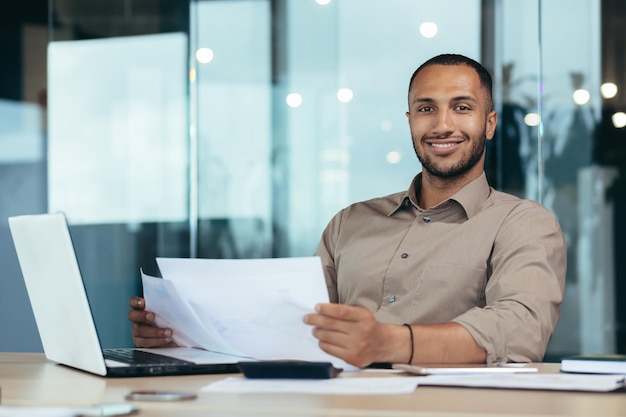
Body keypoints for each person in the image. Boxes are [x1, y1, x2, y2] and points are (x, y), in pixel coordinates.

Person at [128, 53, 567, 367]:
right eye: (425, 109)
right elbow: (292, 327)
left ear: (489, 122)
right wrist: (181, 338)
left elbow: (520, 331)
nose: (442, 125)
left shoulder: (523, 223)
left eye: (462, 108)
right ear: (410, 119)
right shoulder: (351, 222)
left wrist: (388, 343)